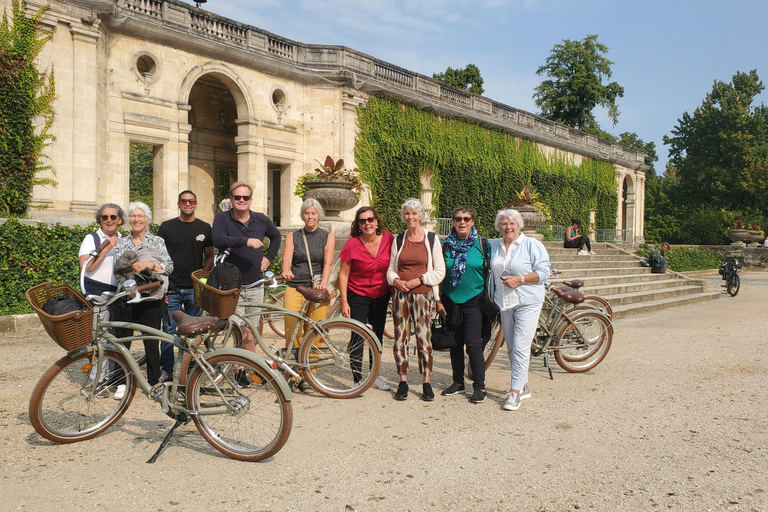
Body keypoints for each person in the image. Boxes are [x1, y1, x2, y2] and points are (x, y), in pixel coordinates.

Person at [211, 182, 281, 361]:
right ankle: (243, 365)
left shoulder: (261, 219)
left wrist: (269, 258)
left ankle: (243, 369)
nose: (241, 200)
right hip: (231, 286)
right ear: (231, 198)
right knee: (237, 329)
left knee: (251, 330)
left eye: (245, 197)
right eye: (237, 197)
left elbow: (276, 236)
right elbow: (218, 240)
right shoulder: (223, 218)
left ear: (251, 200)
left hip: (255, 284)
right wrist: (245, 241)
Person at [488, 208, 550, 411]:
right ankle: (523, 385)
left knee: (522, 346)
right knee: (512, 347)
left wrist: (520, 279)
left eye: (512, 223)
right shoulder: (494, 245)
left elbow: (543, 273)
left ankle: (514, 393)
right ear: (499, 226)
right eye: (504, 223)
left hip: (528, 300)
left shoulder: (532, 245)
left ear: (519, 225)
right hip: (505, 302)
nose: (508, 227)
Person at [386, 198, 446, 402]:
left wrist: (418, 280)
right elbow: (391, 269)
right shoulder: (399, 239)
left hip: (422, 294)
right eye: (406, 214)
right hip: (400, 295)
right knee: (400, 338)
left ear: (421, 215)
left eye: (414, 213)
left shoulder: (431, 239)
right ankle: (403, 380)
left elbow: (440, 272)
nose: (410, 217)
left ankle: (426, 381)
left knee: (423, 337)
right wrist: (395, 280)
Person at [114, 201, 174, 394]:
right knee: (123, 340)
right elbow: (117, 267)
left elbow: (169, 267)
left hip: (151, 297)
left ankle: (154, 382)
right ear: (128, 220)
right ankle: (122, 382)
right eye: (133, 216)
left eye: (140, 216)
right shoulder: (122, 242)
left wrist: (148, 264)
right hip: (127, 295)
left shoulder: (157, 241)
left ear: (147, 219)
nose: (136, 219)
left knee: (151, 341)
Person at [157, 190, 214, 382]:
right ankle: (167, 370)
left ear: (196, 204)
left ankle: (189, 370)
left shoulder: (205, 227)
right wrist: (162, 284)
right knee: (168, 331)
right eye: (184, 201)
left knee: (193, 332)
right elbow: (158, 258)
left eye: (191, 200)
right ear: (178, 203)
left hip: (194, 290)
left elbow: (210, 256)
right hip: (171, 288)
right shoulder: (166, 227)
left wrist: (203, 281)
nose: (187, 203)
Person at [436, 205, 491, 404]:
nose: (462, 222)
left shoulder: (483, 245)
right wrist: (438, 300)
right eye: (458, 218)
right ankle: (458, 382)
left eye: (467, 219)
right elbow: (440, 272)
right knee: (455, 344)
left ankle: (479, 386)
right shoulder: (445, 245)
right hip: (451, 300)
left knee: (474, 345)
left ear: (472, 222)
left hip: (474, 299)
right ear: (453, 221)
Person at [337, 206, 394, 392]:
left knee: (377, 337)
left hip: (381, 295)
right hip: (358, 295)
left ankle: (374, 375)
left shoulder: (388, 238)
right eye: (363, 221)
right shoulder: (353, 244)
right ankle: (357, 379)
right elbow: (343, 274)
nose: (367, 223)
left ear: (377, 221)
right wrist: (344, 302)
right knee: (358, 337)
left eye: (370, 219)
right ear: (358, 225)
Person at [281, 198, 334, 391]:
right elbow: (286, 258)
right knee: (292, 330)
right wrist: (286, 269)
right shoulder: (293, 236)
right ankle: (292, 372)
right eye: (306, 213)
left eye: (313, 213)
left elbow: (327, 263)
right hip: (295, 287)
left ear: (319, 215)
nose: (310, 216)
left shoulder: (327, 236)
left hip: (316, 288)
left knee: (315, 332)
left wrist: (323, 284)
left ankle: (308, 375)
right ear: (302, 215)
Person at [78, 204, 125, 296]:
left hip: (118, 294)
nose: (109, 220)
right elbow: (86, 267)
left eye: (113, 217)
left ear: (119, 220)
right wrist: (107, 248)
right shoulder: (91, 238)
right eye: (104, 217)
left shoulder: (124, 240)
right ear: (100, 221)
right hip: (94, 290)